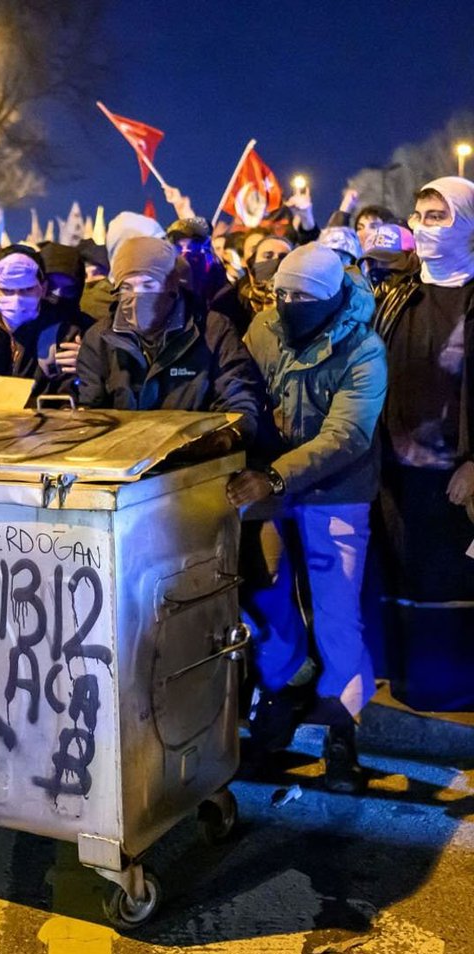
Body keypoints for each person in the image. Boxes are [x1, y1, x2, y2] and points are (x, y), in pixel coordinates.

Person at [229, 243, 387, 791]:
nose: (287, 304)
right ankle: (281, 689)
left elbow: (348, 434)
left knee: (338, 612)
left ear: (327, 296)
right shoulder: (266, 327)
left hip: (334, 491)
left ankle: (344, 730)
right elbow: (243, 390)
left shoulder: (363, 348)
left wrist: (275, 475)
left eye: (301, 296)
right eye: (281, 293)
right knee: (267, 594)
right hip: (271, 486)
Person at [371, 177, 474, 710]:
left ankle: (457, 691)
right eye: (420, 215)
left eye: (439, 216)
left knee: (453, 580)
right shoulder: (398, 296)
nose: (425, 226)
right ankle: (410, 684)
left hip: (455, 475)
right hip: (397, 469)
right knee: (404, 574)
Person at [76, 235, 266, 444]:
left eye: (148, 286)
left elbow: (238, 397)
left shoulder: (212, 331)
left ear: (171, 286)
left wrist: (226, 437)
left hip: (192, 460)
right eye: (127, 288)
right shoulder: (100, 339)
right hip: (121, 461)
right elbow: (90, 413)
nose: (137, 296)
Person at [0, 245, 88, 399]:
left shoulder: (63, 336)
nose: (17, 298)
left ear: (43, 288)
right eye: (8, 290)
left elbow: (68, 395)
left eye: (27, 289)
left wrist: (88, 366)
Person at [211, 234, 294, 335]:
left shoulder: (298, 300)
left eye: (283, 257)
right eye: (268, 256)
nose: (275, 261)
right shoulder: (231, 300)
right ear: (252, 263)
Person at [166, 216, 228, 305]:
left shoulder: (220, 283)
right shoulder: (166, 285)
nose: (184, 254)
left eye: (191, 248)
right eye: (179, 248)